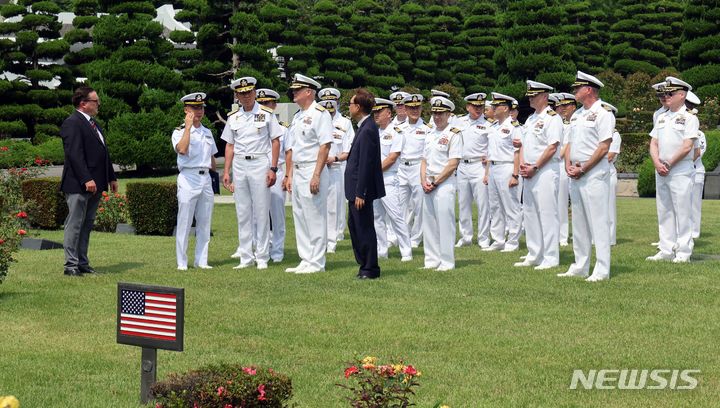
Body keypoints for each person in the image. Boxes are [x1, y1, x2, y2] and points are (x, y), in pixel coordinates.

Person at [557, 71, 615, 282]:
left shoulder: (604, 113)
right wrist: (568, 166)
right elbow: (569, 143)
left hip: (594, 174)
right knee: (579, 222)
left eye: (577, 88)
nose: (574, 92)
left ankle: (601, 269)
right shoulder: (577, 115)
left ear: (588, 89)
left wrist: (583, 168)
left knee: (597, 222)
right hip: (576, 172)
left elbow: (603, 146)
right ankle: (580, 265)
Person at [221, 77, 283, 270]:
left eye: (249, 92)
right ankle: (246, 257)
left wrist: (273, 168)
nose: (246, 96)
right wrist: (226, 171)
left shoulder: (266, 114)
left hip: (259, 162)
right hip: (239, 164)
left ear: (254, 93)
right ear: (237, 96)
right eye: (242, 93)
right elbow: (230, 145)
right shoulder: (233, 117)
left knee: (262, 211)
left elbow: (275, 141)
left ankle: (262, 256)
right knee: (243, 212)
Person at [60, 86, 118, 276]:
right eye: (96, 101)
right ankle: (71, 265)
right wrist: (87, 179)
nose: (99, 104)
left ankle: (82, 262)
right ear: (83, 104)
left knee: (86, 224)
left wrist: (111, 177)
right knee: (75, 223)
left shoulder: (94, 124)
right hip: (79, 184)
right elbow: (74, 155)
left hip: (96, 183)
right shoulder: (72, 123)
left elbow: (103, 153)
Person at [283, 74, 334, 274]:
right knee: (300, 215)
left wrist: (316, 175)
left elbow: (325, 146)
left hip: (313, 168)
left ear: (309, 92)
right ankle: (306, 258)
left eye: (298, 90)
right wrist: (289, 175)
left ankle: (317, 262)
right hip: (298, 169)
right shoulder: (297, 116)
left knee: (315, 216)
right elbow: (292, 149)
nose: (294, 93)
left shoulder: (320, 114)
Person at [646, 77, 698, 263]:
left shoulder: (690, 118)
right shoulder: (661, 117)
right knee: (664, 210)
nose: (666, 96)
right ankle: (666, 249)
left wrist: (667, 164)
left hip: (680, 171)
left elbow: (686, 147)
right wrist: (657, 163)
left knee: (683, 212)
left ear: (682, 95)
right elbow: (653, 143)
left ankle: (684, 251)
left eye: (670, 93)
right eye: (665, 93)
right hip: (662, 170)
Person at [514, 80, 562, 270]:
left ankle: (550, 257)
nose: (530, 98)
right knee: (530, 213)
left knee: (547, 213)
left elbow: (552, 146)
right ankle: (534, 253)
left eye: (534, 95)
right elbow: (525, 145)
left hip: (545, 171)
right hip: (530, 172)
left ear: (544, 96)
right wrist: (524, 165)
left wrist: (535, 166)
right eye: (530, 95)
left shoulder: (552, 118)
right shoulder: (531, 119)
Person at [172, 92, 218, 271]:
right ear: (186, 110)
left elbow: (212, 160)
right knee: (184, 221)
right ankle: (182, 262)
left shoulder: (207, 132)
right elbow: (182, 149)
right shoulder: (179, 131)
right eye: (194, 108)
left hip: (205, 177)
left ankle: (202, 260)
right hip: (188, 177)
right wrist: (188, 128)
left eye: (201, 108)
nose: (198, 111)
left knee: (205, 221)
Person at [345, 89, 385, 279]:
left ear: (358, 107)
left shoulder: (368, 128)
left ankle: (370, 268)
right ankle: (364, 266)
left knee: (364, 228)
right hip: (354, 189)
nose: (349, 107)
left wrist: (361, 192)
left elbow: (367, 163)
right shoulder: (364, 126)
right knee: (355, 226)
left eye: (351, 104)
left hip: (360, 191)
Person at [421, 97, 463, 271]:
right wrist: (423, 180)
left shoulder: (454, 133)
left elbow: (453, 162)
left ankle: (446, 261)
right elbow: (423, 160)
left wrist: (436, 182)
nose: (437, 117)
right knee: (429, 223)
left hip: (444, 183)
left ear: (448, 114)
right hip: (428, 182)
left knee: (445, 222)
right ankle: (431, 260)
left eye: (441, 114)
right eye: (435, 113)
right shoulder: (430, 133)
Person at [371, 98, 413, 261]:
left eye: (379, 112)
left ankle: (406, 250)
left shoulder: (396, 132)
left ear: (388, 113)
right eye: (374, 112)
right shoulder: (374, 132)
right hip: (374, 180)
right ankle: (382, 250)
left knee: (396, 216)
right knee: (377, 217)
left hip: (388, 179)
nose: (376, 115)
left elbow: (392, 157)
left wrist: (372, 171)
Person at [482, 92, 522, 252]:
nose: (493, 108)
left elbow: (518, 152)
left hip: (507, 167)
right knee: (495, 206)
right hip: (493, 168)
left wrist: (515, 174)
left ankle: (513, 241)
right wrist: (486, 173)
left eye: (496, 106)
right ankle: (498, 240)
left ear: (505, 108)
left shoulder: (513, 127)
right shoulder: (493, 127)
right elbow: (490, 153)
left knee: (510, 205)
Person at [318, 88, 355, 253]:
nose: (329, 113)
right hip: (317, 169)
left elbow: (349, 149)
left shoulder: (345, 123)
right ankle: (319, 239)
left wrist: (335, 158)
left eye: (331, 109)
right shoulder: (317, 120)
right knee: (318, 207)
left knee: (334, 206)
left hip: (335, 168)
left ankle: (331, 241)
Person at [455, 92, 492, 249]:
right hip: (462, 166)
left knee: (483, 204)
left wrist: (488, 167)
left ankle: (483, 238)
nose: (478, 109)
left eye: (481, 106)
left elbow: (493, 147)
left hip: (479, 166)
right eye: (475, 106)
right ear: (468, 106)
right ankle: (466, 237)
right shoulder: (458, 122)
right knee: (463, 204)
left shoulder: (489, 125)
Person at [256, 88, 287, 262]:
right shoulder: (255, 124)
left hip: (277, 171)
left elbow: (289, 153)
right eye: (261, 103)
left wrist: (288, 175)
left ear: (274, 105)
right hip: (257, 170)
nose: (264, 107)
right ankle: (261, 246)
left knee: (277, 213)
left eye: (267, 103)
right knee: (258, 213)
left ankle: (277, 250)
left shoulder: (283, 129)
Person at [397, 94, 432, 247]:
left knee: (419, 206)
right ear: (405, 108)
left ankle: (416, 238)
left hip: (418, 168)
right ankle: (402, 236)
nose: (414, 110)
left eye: (417, 107)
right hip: (401, 167)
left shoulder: (427, 129)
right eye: (411, 108)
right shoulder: (398, 128)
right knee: (400, 205)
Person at [553, 92, 577, 246]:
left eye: (565, 105)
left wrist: (556, 156)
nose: (562, 109)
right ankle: (554, 234)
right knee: (553, 202)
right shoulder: (557, 123)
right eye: (560, 106)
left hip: (562, 164)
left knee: (562, 202)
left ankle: (562, 236)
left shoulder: (571, 124)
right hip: (552, 164)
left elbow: (567, 144)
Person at [686, 91, 706, 239]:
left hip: (696, 171)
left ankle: (695, 231)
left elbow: (698, 153)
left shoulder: (699, 134)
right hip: (684, 171)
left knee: (694, 204)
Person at [603, 102, 621, 246]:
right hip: (595, 172)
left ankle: (610, 238)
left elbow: (609, 155)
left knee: (608, 207)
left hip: (608, 172)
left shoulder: (615, 135)